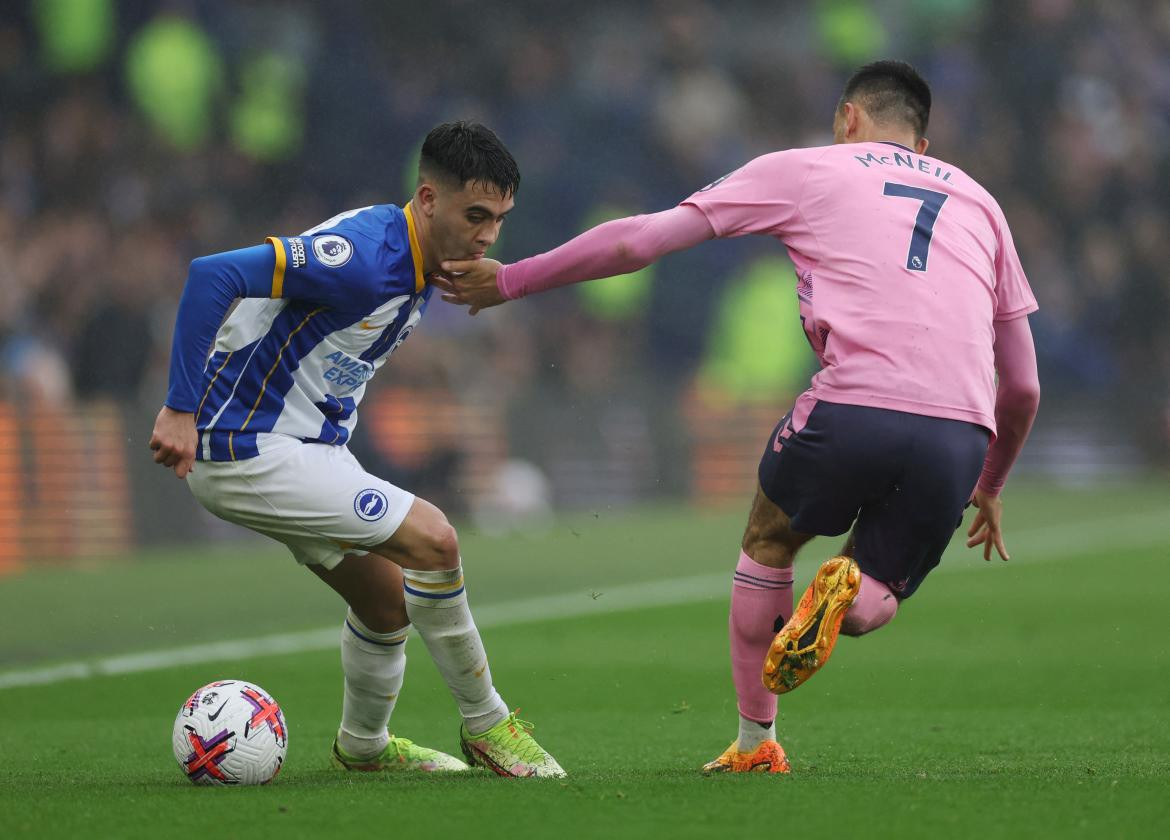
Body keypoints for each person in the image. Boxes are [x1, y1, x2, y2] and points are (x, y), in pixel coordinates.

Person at [434, 61, 1041, 775]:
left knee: (769, 539)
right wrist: (991, 485)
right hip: (960, 431)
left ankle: (757, 742)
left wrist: (510, 280)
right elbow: (1024, 385)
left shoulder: (812, 168)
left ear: (848, 118)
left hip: (854, 405)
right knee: (877, 592)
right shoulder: (982, 203)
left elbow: (639, 241)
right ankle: (844, 597)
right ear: (924, 143)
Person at [148, 121, 564, 779]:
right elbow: (212, 275)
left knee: (385, 600)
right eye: (475, 215)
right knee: (435, 541)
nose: (487, 235)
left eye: (499, 219)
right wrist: (180, 405)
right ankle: (489, 725)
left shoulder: (427, 262)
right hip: (245, 446)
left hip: (306, 449)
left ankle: (363, 747)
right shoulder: (362, 256)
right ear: (428, 201)